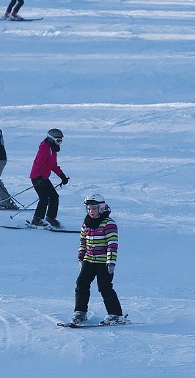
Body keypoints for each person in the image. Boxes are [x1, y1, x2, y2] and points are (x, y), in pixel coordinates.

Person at [72, 193, 124, 325]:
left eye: (94, 208)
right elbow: (83, 242)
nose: (91, 211)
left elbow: (112, 244)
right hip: (88, 260)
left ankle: (115, 314)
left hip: (103, 262)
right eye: (89, 209)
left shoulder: (109, 223)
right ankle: (80, 312)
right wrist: (81, 258)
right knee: (81, 284)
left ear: (101, 208)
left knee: (104, 287)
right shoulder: (86, 223)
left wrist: (111, 261)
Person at [29, 128, 69, 228]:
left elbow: (53, 165)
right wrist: (39, 177)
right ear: (51, 139)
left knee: (54, 196)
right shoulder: (44, 148)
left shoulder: (52, 149)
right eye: (58, 141)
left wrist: (62, 176)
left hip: (44, 178)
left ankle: (51, 218)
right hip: (37, 177)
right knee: (44, 198)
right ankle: (37, 219)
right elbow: (39, 164)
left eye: (61, 141)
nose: (59, 143)